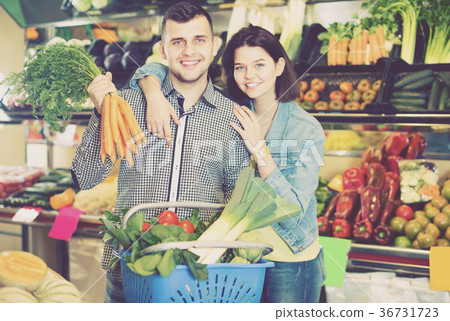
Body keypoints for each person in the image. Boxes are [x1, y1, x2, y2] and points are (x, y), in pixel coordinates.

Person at [129, 25, 327, 303]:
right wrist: (152, 94)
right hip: (238, 258)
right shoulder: (227, 109)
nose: (249, 76)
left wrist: (260, 149)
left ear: (279, 66)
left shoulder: (306, 129)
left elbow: (294, 208)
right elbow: (152, 70)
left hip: (290, 259)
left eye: (259, 64)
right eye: (240, 67)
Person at [71, 2, 249, 303]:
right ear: (163, 51)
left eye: (199, 40)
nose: (189, 51)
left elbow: (236, 199)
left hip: (197, 276)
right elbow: (85, 178)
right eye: (178, 42)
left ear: (215, 46)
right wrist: (100, 116)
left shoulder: (233, 116)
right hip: (127, 270)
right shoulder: (125, 103)